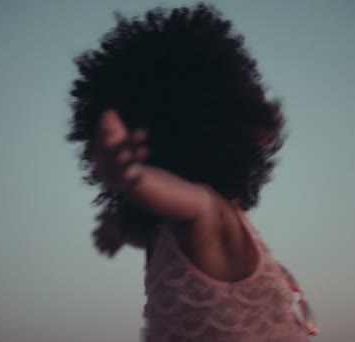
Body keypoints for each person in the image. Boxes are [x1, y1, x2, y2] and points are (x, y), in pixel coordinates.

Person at [66, 3, 318, 341]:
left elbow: (185, 199)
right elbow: (164, 212)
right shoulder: (175, 234)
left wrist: (133, 177)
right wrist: (121, 227)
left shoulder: (208, 213)